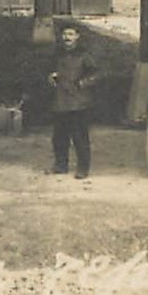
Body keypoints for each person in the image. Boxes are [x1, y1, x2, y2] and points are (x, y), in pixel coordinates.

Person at [48, 21, 98, 179]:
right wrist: (50, 77)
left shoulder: (84, 55)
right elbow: (48, 71)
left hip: (78, 101)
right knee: (59, 136)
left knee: (80, 136)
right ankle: (61, 164)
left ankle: (83, 168)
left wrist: (83, 83)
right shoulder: (56, 54)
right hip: (60, 101)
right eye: (64, 34)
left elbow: (96, 74)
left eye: (70, 34)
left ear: (77, 36)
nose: (67, 37)